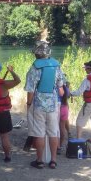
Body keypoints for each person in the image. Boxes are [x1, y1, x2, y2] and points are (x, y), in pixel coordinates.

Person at [24, 41, 64, 169]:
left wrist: (28, 104)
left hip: (39, 105)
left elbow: (30, 90)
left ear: (36, 53)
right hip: (53, 104)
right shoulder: (56, 66)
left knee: (39, 132)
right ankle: (53, 160)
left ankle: (40, 160)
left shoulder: (35, 67)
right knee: (53, 132)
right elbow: (61, 88)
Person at [70, 60, 91, 143]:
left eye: (85, 68)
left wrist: (70, 93)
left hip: (89, 103)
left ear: (89, 69)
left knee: (80, 120)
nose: (85, 70)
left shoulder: (87, 80)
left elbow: (79, 92)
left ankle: (78, 139)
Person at [58, 81, 70, 154]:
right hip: (65, 108)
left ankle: (56, 146)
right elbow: (68, 96)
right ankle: (60, 145)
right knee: (62, 128)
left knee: (55, 129)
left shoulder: (57, 88)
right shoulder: (66, 88)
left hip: (58, 108)